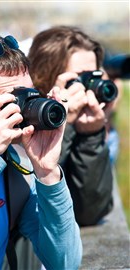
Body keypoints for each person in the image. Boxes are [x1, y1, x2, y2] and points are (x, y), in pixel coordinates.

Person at [0, 30, 82, 269]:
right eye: (12, 99)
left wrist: (47, 173)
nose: (23, 109)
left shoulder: (15, 172)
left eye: (29, 94)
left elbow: (65, 262)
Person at [28, 25, 114, 226]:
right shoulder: (23, 126)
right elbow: (33, 204)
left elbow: (91, 212)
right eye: (79, 78)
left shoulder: (84, 123)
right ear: (45, 79)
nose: (88, 87)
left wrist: (91, 135)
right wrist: (59, 124)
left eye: (92, 76)